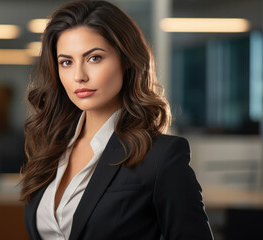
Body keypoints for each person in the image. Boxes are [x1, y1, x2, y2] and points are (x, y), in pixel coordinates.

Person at [20, 1, 213, 239]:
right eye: (66, 62)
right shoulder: (51, 147)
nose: (79, 76)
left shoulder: (162, 157)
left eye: (94, 58)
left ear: (126, 60)